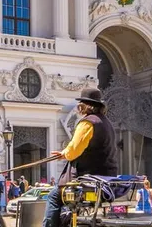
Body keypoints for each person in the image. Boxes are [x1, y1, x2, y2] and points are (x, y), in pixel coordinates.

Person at [42, 89, 120, 227]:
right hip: (106, 177)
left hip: (88, 178)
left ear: (85, 105)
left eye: (81, 103)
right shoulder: (106, 123)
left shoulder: (87, 123)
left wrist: (65, 153)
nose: (79, 107)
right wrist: (64, 153)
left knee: (54, 196)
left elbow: (73, 151)